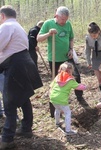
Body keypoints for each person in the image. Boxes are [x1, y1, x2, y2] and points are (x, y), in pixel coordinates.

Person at [0, 5, 43, 149]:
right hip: (23, 63)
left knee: (9, 101)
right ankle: (26, 129)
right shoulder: (18, 26)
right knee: (24, 97)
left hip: (15, 65)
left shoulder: (6, 26)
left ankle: (7, 139)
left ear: (2, 15)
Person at [37, 6, 84, 118]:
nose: (64, 22)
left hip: (67, 57)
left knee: (76, 75)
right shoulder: (48, 23)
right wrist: (48, 33)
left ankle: (79, 96)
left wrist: (71, 49)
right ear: (56, 16)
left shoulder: (68, 24)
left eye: (66, 19)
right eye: (62, 19)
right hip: (54, 59)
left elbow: (71, 38)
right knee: (56, 81)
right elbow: (38, 38)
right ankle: (55, 104)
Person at [50, 62, 86, 135]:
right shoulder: (70, 80)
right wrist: (85, 87)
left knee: (57, 109)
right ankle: (68, 130)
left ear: (60, 70)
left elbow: (51, 86)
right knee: (67, 113)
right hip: (62, 99)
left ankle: (57, 123)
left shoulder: (57, 77)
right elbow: (79, 87)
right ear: (71, 71)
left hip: (53, 97)